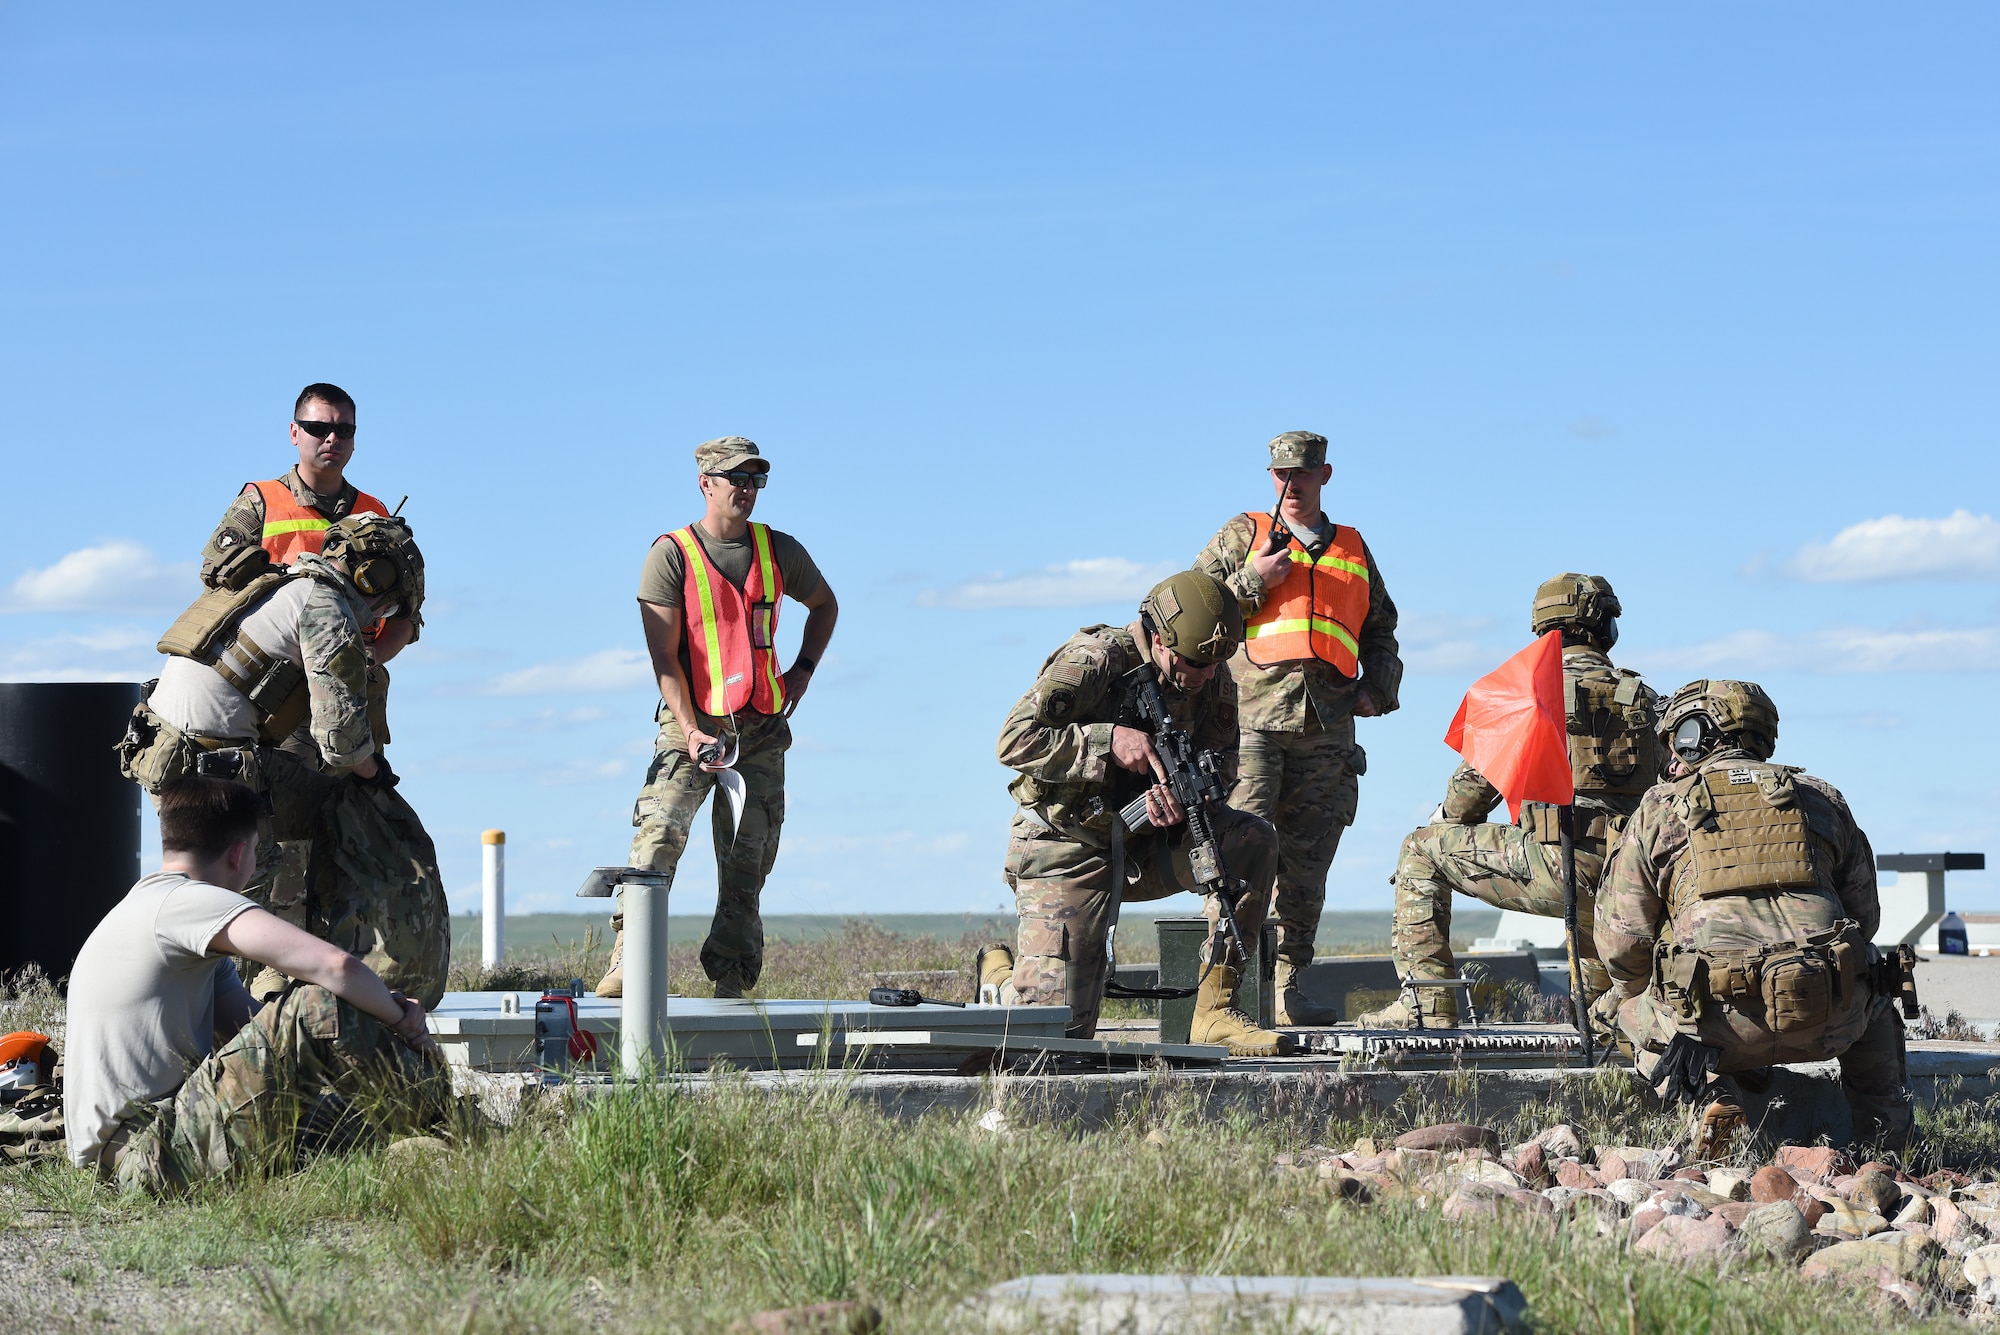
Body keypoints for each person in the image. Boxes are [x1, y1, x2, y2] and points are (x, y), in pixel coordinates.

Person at [116, 512, 448, 1006]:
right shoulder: (325, 608)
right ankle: (298, 992)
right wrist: (377, 775)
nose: (380, 616)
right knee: (337, 817)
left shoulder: (279, 584)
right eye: (388, 603)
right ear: (372, 580)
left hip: (167, 754)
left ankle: (262, 983)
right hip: (217, 768)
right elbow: (340, 739)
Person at [64, 777, 450, 1195]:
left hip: (133, 1158)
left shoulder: (144, 907)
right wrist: (404, 1022)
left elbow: (252, 1028)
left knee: (341, 1120)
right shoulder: (188, 903)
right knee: (318, 1001)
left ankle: (424, 1132)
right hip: (151, 1152)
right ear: (239, 853)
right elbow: (337, 967)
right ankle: (446, 1113)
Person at [1595, 679, 1914, 1153]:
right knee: (1877, 989)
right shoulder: (1822, 798)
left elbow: (1623, 944)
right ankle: (1888, 1146)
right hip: (1831, 1017)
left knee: (1617, 1011)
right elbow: (1864, 919)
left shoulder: (1660, 809)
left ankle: (1709, 1096)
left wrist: (1647, 997)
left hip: (1712, 1027)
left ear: (1693, 736)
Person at [972, 572, 1284, 1055]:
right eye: (1195, 661)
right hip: (1067, 844)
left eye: (1216, 662)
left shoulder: (1211, 672)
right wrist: (1107, 741)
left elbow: (1223, 760)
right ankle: (1000, 980)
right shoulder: (1095, 661)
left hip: (1145, 843)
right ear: (1159, 639)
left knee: (1251, 840)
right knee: (1057, 1039)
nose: (1205, 674)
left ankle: (1215, 1012)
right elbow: (1013, 741)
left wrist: (1192, 797)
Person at [596, 437, 838, 1000]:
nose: (747, 490)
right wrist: (690, 728)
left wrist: (801, 671)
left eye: (756, 480)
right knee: (657, 839)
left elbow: (825, 604)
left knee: (747, 858)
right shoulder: (672, 554)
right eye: (737, 479)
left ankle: (731, 977)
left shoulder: (779, 550)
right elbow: (664, 660)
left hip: (760, 730)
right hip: (691, 724)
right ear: (706, 483)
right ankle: (629, 964)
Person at [1361, 574, 1661, 1028]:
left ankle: (1428, 1005)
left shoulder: (1527, 694)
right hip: (1631, 881)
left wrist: (1441, 823)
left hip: (1556, 866)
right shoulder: (1647, 701)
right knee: (1601, 1017)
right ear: (1606, 629)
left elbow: (1466, 800)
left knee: (1419, 850)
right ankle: (1606, 1022)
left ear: (1542, 630)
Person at [1193, 430, 1402, 1024]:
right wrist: (1253, 581)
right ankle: (1226, 992)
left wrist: (1378, 686)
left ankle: (1288, 988)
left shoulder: (1354, 547)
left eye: (1301, 474)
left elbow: (1381, 627)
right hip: (1251, 721)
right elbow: (1188, 612)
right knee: (1238, 851)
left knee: (1309, 862)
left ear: (1324, 475)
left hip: (1327, 726)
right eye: (1279, 473)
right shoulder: (1243, 535)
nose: (1289, 484)